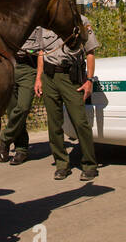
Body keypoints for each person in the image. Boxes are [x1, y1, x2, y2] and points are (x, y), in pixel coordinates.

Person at [37, 14, 100, 182]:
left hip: (71, 77)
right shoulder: (44, 22)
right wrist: (38, 78)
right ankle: (61, 164)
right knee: (54, 123)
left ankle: (89, 165)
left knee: (80, 122)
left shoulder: (81, 21)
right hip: (49, 77)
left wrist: (89, 80)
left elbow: (90, 51)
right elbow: (42, 52)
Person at [0, 27, 42, 164]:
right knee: (12, 112)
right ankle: (21, 149)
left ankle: (5, 138)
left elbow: (41, 49)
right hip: (8, 66)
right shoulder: (9, 20)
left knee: (23, 107)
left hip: (28, 67)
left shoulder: (38, 25)